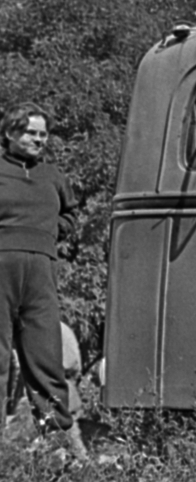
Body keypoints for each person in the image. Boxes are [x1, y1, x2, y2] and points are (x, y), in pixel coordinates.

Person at [0, 104, 86, 459]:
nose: (39, 139)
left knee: (45, 354)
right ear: (10, 133)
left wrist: (52, 233)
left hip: (41, 274)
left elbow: (71, 213)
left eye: (43, 134)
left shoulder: (52, 175)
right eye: (31, 132)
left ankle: (57, 442)